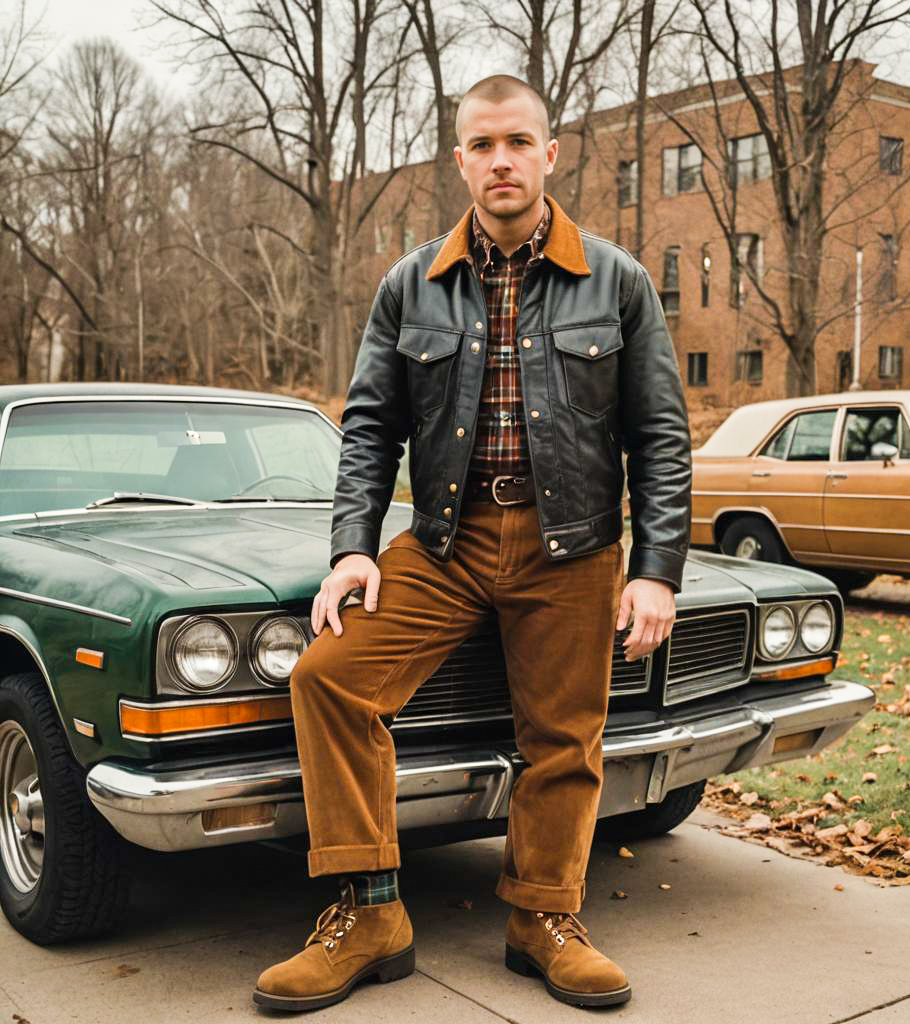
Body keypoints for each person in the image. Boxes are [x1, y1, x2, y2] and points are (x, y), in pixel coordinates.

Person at [253, 73, 691, 1013]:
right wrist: (353, 547)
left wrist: (656, 570)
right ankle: (370, 913)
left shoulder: (616, 279)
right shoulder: (411, 283)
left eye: (518, 142)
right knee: (329, 678)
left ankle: (544, 919)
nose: (502, 161)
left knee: (564, 737)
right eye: (483, 145)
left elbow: (660, 435)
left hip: (572, 544)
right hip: (445, 540)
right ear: (460, 160)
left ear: (550, 153)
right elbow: (370, 427)